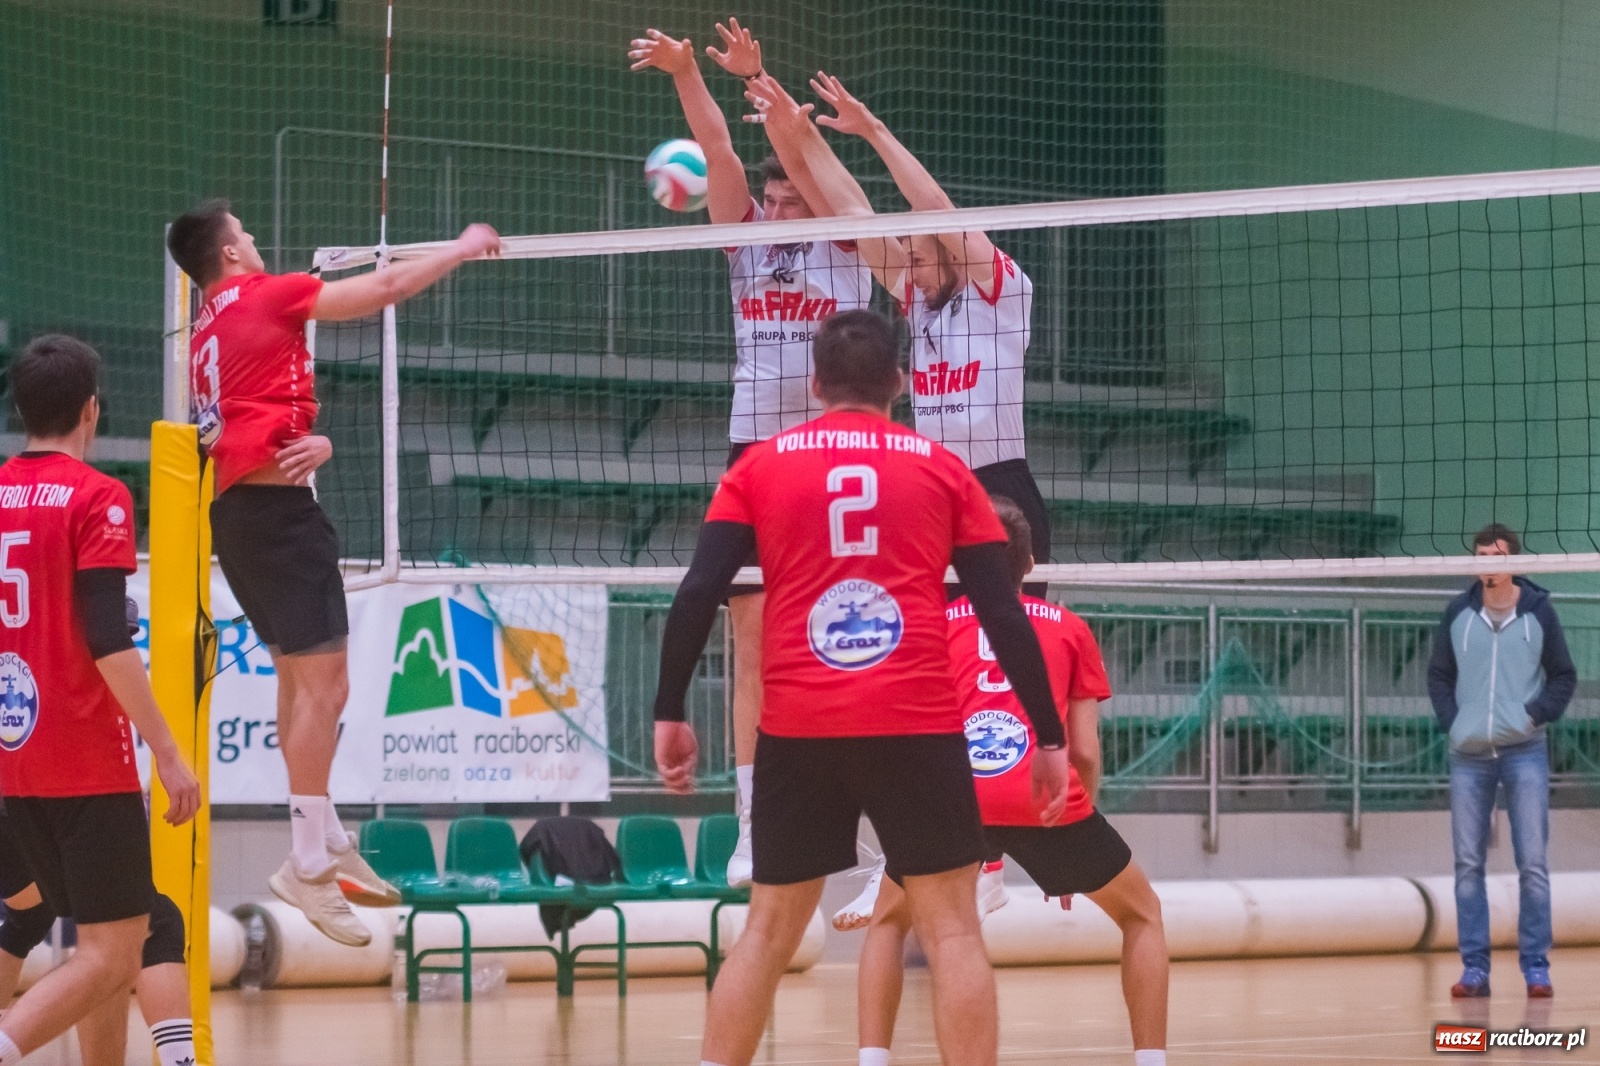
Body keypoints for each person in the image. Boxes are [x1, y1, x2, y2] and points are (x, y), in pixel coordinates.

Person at [652, 310, 1069, 1066]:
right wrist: (1048, 734)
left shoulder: (758, 467)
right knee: (952, 930)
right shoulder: (942, 470)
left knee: (769, 931)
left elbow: (697, 592)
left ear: (813, 384)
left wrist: (669, 712)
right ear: (901, 384)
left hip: (798, 723)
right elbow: (1002, 611)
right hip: (915, 721)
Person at [166, 200, 500, 947]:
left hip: (240, 518)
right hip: (281, 523)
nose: (254, 239)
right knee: (328, 687)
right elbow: (378, 294)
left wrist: (307, 440)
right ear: (226, 254)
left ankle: (327, 839)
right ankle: (308, 860)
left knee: (297, 684)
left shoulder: (203, 330)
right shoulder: (266, 292)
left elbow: (240, 416)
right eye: (245, 234)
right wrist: (462, 246)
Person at [630, 20, 874, 886]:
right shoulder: (742, 240)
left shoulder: (846, 244)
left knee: (853, 633)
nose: (775, 206)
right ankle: (749, 825)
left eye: (788, 197)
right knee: (750, 640)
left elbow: (804, 161)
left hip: (835, 452)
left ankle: (870, 817)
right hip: (754, 457)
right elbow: (715, 149)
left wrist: (770, 89)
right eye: (769, 200)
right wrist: (689, 73)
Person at [849, 498, 1169, 1066]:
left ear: (962, 562)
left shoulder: (931, 623)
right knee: (1141, 914)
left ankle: (871, 1060)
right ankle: (1151, 1060)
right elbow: (1087, 751)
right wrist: (1073, 822)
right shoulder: (1070, 628)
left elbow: (906, 728)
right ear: (1032, 563)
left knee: (890, 920)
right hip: (1043, 798)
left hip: (957, 801)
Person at [743, 72, 1052, 596]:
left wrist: (874, 131)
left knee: (1005, 650)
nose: (908, 269)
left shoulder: (999, 292)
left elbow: (934, 206)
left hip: (1000, 485)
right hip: (933, 488)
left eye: (918, 257)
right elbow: (852, 211)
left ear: (951, 252)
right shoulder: (918, 300)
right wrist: (801, 135)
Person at [0, 334, 201, 1065]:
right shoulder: (97, 496)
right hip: (85, 759)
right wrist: (170, 754)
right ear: (91, 410)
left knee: (102, 946)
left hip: (16, 762)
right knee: (116, 952)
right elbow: (109, 640)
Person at [1427, 523, 1575, 1000]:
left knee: (1532, 862)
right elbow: (1438, 675)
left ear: (1512, 561)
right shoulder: (1458, 613)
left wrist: (1532, 717)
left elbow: (1563, 676)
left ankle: (1536, 968)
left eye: (1496, 554)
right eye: (1482, 555)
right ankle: (1475, 970)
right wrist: (1455, 722)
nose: (1488, 561)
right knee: (1468, 864)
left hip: (1524, 751)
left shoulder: (1538, 614)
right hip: (1468, 756)